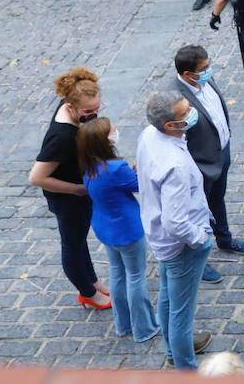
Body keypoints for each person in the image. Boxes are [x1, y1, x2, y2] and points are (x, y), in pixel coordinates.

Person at [136, 90, 215, 369]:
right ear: (170, 125)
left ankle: (173, 351)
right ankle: (185, 367)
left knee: (169, 298)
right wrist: (201, 239)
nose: (192, 113)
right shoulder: (176, 166)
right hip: (181, 247)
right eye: (186, 113)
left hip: (161, 239)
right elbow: (176, 222)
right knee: (182, 313)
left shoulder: (149, 134)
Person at [28, 68, 110, 310]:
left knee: (80, 239)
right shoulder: (62, 136)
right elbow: (37, 177)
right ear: (71, 107)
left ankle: (92, 281)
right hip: (68, 199)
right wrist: (76, 190)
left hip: (80, 192)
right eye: (88, 112)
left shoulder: (73, 111)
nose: (93, 115)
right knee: (73, 244)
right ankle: (86, 292)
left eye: (97, 108)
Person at [172, 45, 244, 285]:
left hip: (221, 153)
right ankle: (197, 259)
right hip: (198, 164)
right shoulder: (175, 98)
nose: (209, 71)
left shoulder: (204, 81)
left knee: (218, 199)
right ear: (188, 75)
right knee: (196, 211)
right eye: (204, 69)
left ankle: (224, 239)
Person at [77, 117, 160, 343]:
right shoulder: (115, 168)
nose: (115, 130)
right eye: (111, 130)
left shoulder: (89, 166)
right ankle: (144, 328)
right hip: (127, 230)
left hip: (105, 228)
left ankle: (123, 324)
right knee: (136, 277)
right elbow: (140, 185)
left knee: (117, 274)